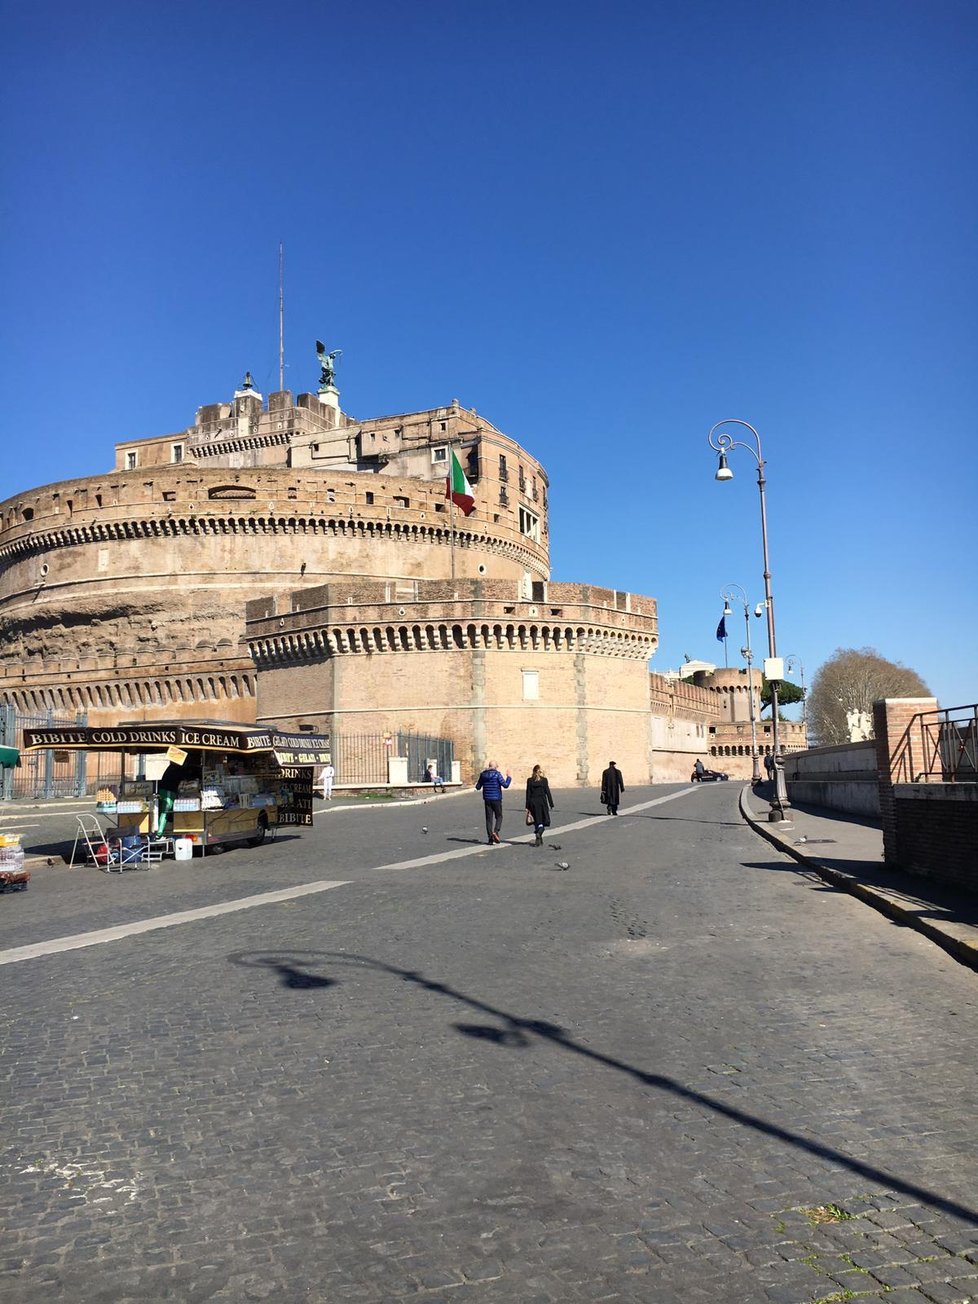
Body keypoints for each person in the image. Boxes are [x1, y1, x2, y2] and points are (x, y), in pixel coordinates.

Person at [475, 760, 511, 844]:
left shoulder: (483, 774)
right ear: (495, 767)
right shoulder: (497, 774)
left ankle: (490, 838)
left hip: (487, 799)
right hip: (496, 798)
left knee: (489, 819)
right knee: (499, 816)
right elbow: (505, 785)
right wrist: (509, 777)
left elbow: (478, 787)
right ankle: (496, 831)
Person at [524, 764, 554, 847]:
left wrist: (527, 806)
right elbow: (547, 792)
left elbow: (528, 793)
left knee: (536, 820)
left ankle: (539, 839)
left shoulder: (530, 780)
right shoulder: (544, 780)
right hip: (542, 802)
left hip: (532, 802)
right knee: (544, 820)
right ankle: (539, 832)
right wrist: (551, 803)